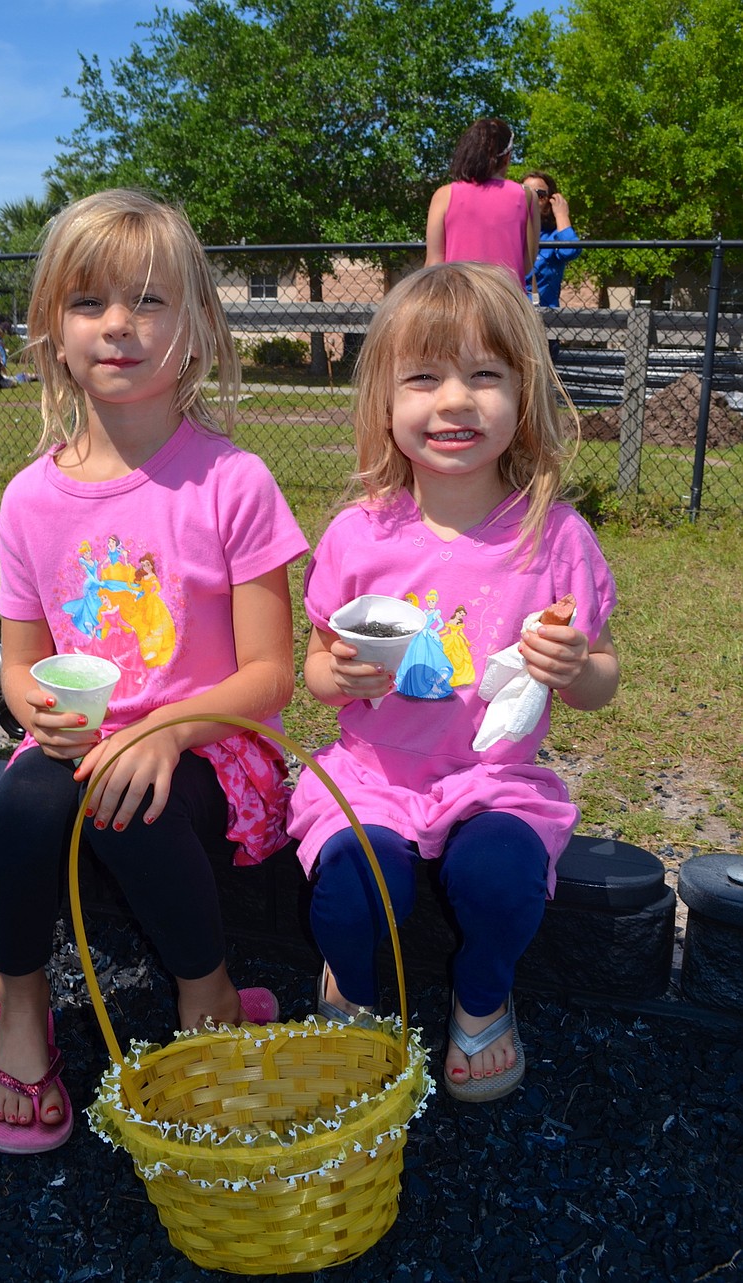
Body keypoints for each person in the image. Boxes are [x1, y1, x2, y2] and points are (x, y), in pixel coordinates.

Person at [0, 188, 309, 1154]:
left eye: (149, 300)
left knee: (137, 796)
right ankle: (20, 1009)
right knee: (28, 797)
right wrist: (36, 704)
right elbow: (21, 664)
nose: (117, 324)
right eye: (88, 303)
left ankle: (206, 995)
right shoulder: (33, 498)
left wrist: (161, 731)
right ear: (51, 333)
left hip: (207, 750)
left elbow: (269, 675)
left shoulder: (231, 481)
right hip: (78, 752)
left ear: (197, 329)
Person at [287, 262, 619, 1103]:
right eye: (424, 377)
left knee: (501, 879)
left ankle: (480, 1001)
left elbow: (603, 676)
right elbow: (317, 669)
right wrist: (344, 673)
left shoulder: (556, 537)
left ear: (524, 391)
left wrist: (577, 667)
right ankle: (351, 992)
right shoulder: (361, 533)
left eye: (485, 375)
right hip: (374, 777)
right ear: (386, 402)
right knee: (359, 888)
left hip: (494, 781)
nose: (455, 401)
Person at [425, 118, 540, 286]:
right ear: (507, 157)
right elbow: (527, 265)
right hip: (507, 302)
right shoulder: (526, 196)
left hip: (458, 302)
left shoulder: (444, 195)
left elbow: (433, 264)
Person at [521, 172, 582, 309]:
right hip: (510, 315)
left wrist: (561, 215)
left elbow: (570, 251)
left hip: (544, 314)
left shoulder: (554, 235)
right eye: (525, 192)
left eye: (540, 195)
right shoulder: (509, 232)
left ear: (549, 202)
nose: (531, 198)